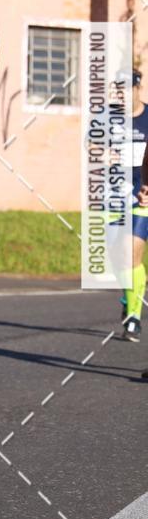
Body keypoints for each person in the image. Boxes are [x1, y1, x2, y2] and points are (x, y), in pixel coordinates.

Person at [120, 70, 148, 341]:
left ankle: (134, 317)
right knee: (119, 259)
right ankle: (128, 296)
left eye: (129, 88)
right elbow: (91, 145)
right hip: (114, 195)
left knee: (132, 253)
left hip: (141, 197)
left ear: (138, 88)